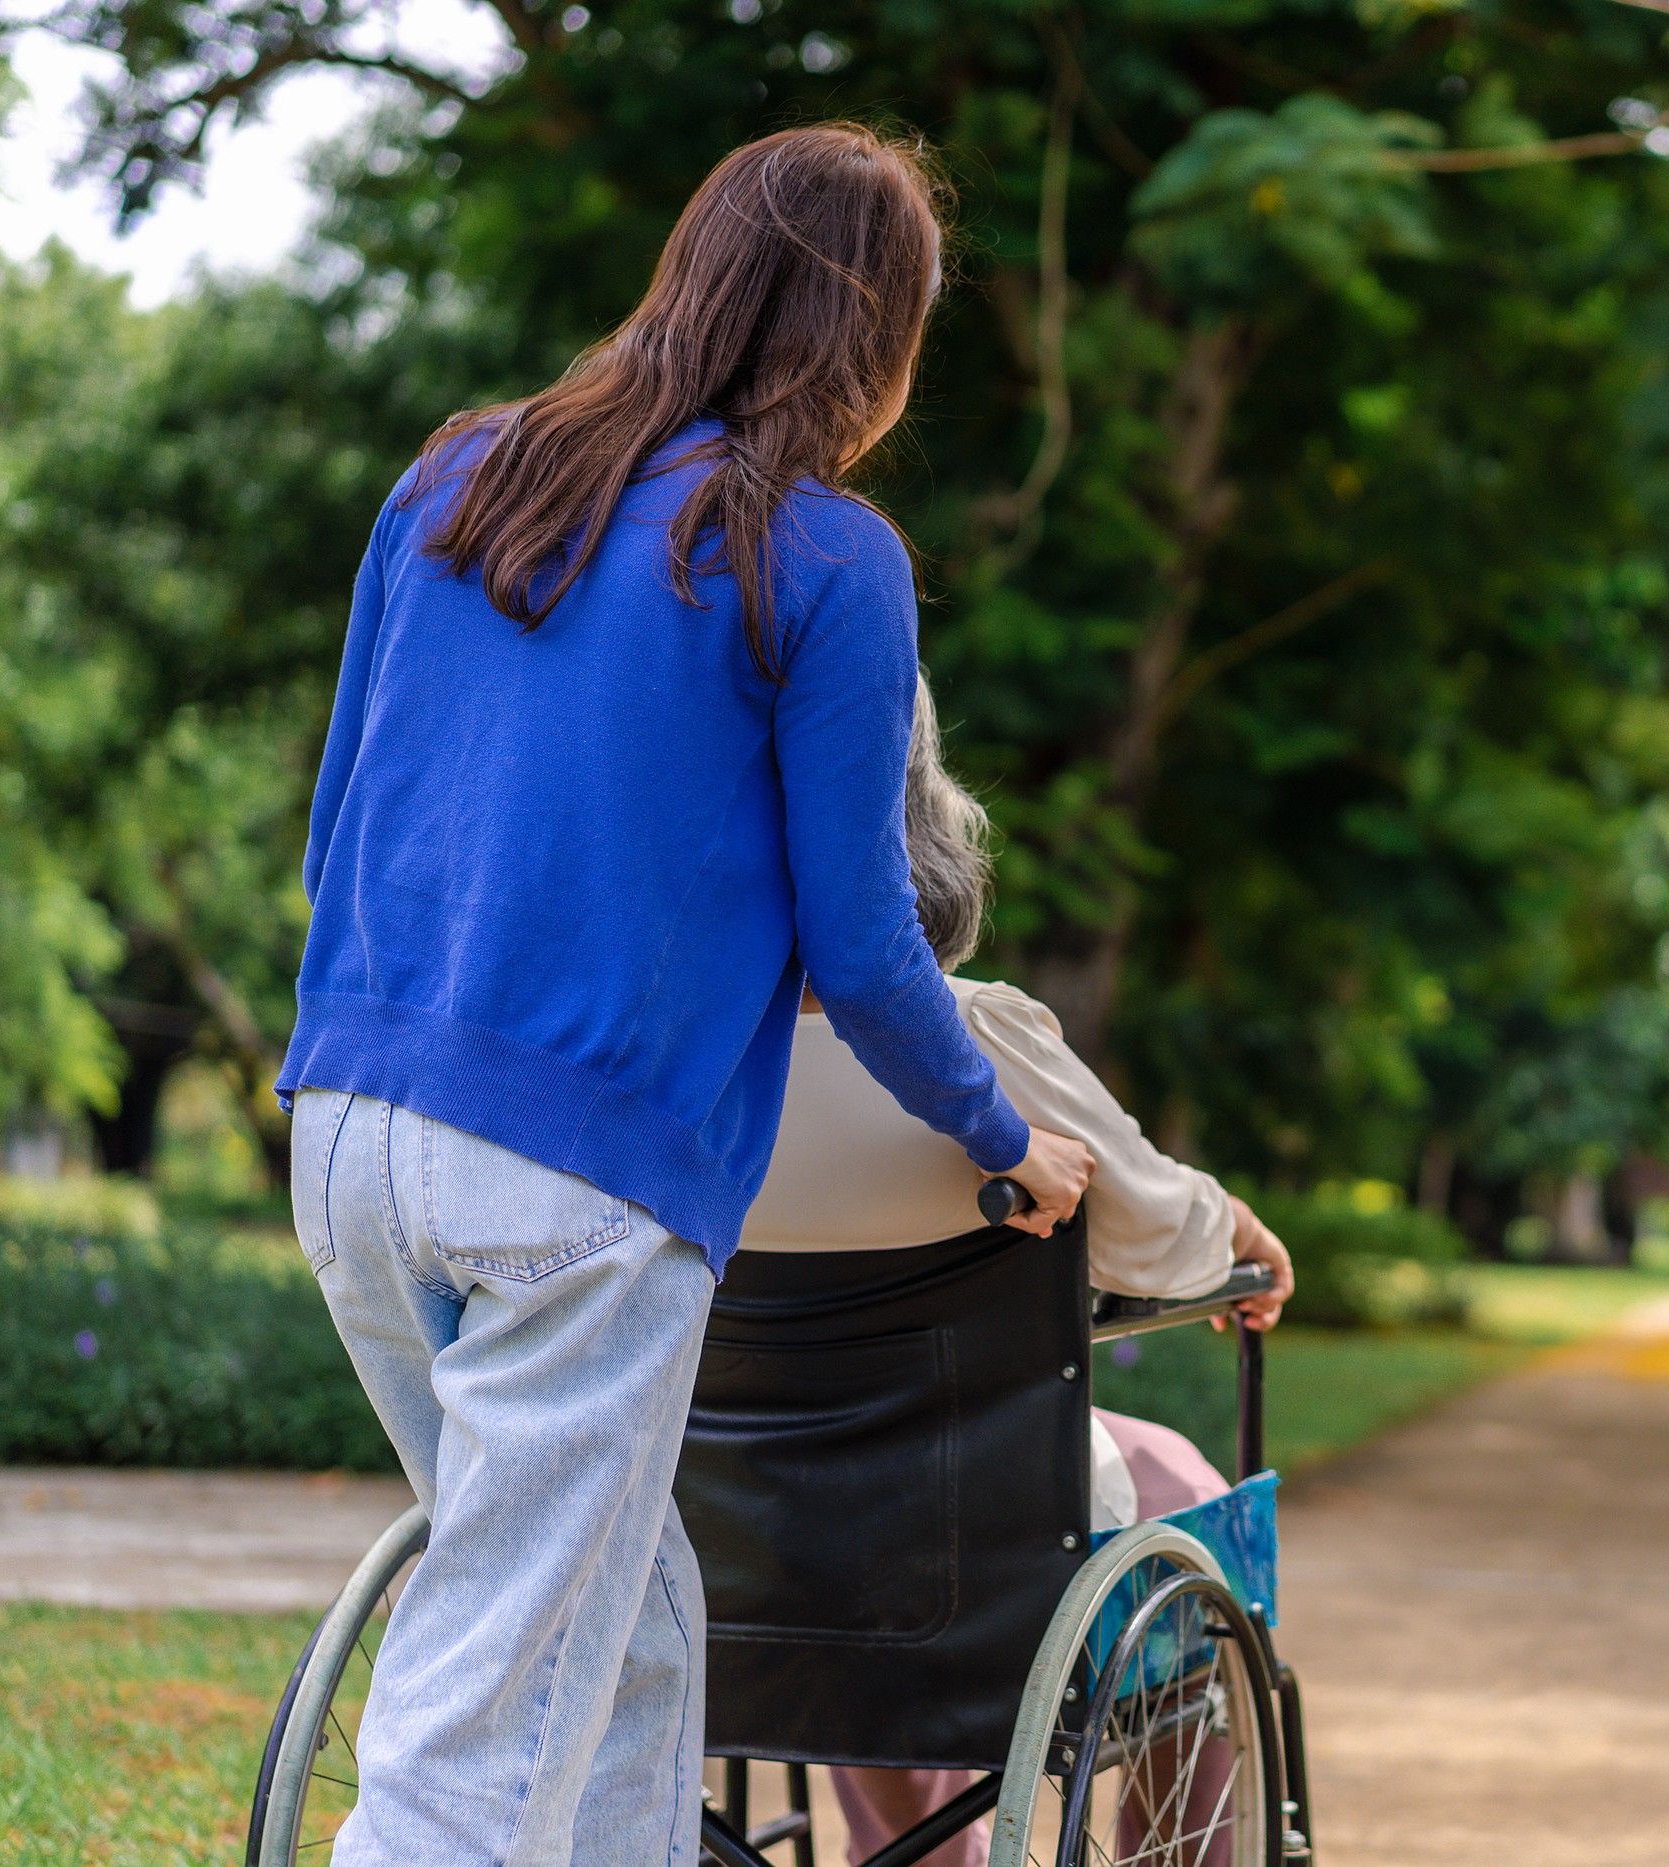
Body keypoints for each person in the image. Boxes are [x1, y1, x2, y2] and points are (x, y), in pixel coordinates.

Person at [278, 126, 1095, 1867]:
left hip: (346, 1134)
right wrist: (1003, 1135)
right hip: (575, 1186)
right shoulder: (824, 556)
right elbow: (869, 943)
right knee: (480, 1732)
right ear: (872, 341)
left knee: (624, 1625)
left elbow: (333, 835)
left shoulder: (450, 484)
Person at [737, 677, 1292, 1866]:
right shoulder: (975, 1039)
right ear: (924, 825)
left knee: (839, 1538)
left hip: (746, 1538)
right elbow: (1151, 1230)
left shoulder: (669, 1061)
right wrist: (1231, 1233)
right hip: (964, 1527)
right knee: (1180, 1486)